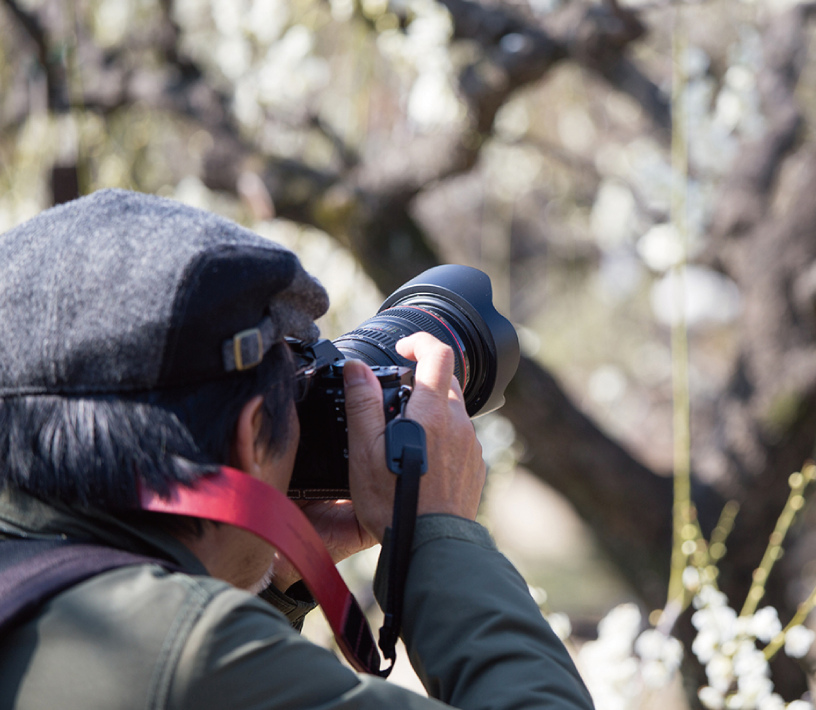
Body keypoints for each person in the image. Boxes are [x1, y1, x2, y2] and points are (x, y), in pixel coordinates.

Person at [0, 189, 594, 709]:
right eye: (298, 387)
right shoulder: (189, 656)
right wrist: (439, 532)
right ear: (251, 432)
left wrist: (271, 577)